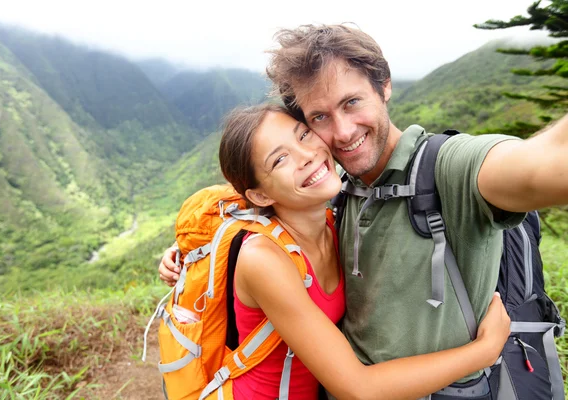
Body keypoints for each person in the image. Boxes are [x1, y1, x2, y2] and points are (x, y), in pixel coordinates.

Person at [161, 24, 568, 395]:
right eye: (319, 117)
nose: (340, 132)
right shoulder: (336, 198)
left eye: (352, 102)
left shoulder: (449, 168)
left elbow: (542, 165)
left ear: (385, 85)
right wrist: (189, 255)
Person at [188, 102, 510, 399]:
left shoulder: (334, 221)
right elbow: (358, 389)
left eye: (303, 134)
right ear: (258, 196)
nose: (307, 154)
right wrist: (483, 351)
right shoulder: (265, 260)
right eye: (280, 159)